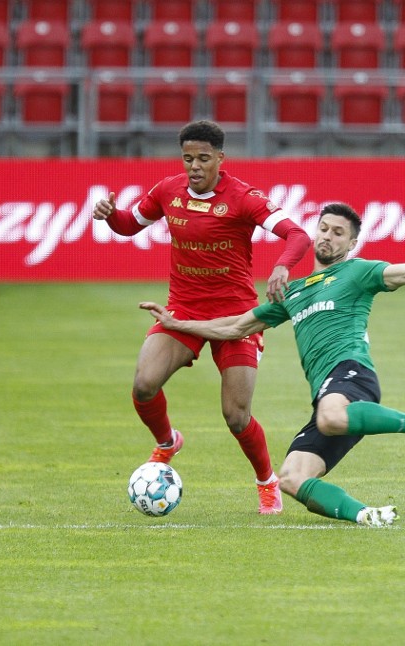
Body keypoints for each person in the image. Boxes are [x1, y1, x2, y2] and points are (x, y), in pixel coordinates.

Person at [139, 203, 405, 527]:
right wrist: (178, 324)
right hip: (327, 394)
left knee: (331, 417)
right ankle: (365, 515)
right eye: (324, 228)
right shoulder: (293, 293)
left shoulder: (358, 273)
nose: (328, 236)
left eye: (338, 233)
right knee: (292, 478)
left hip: (351, 375)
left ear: (351, 244)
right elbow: (235, 326)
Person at [92, 120, 311, 514]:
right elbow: (128, 225)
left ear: (220, 159)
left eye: (203, 158)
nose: (194, 166)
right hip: (183, 311)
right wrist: (110, 214)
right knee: (144, 385)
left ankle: (266, 481)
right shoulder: (168, 191)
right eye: (188, 157)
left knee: (236, 415)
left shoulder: (244, 197)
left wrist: (281, 266)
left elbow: (298, 235)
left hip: (236, 319)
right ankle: (167, 442)